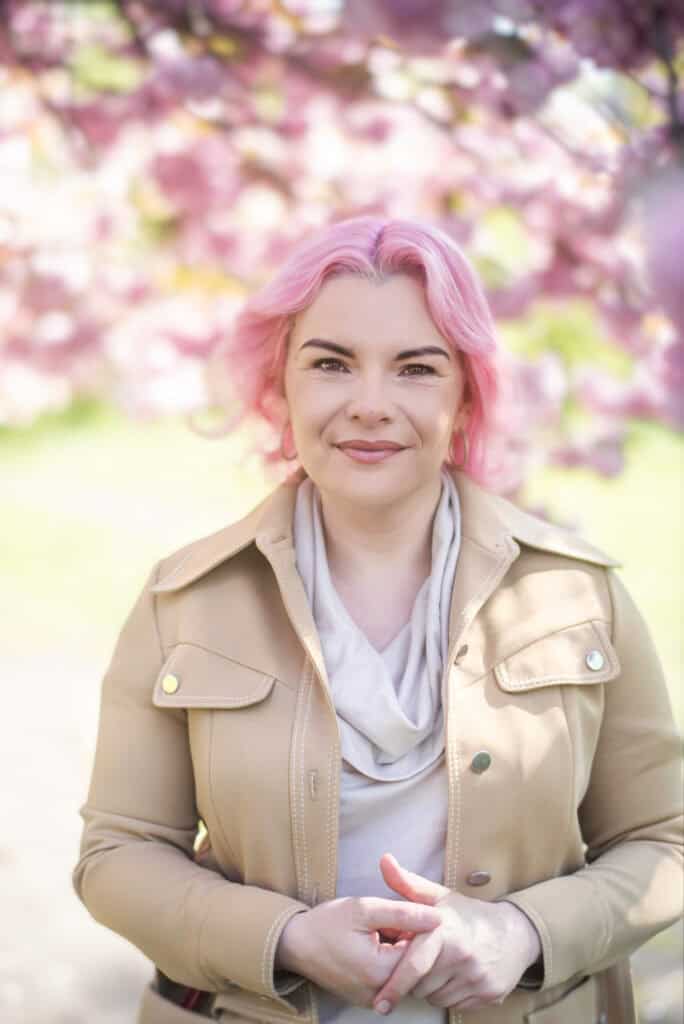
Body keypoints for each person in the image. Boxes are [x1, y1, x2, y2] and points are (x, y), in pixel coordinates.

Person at [72, 216, 683, 1024]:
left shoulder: (579, 595)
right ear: (279, 384)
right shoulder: (184, 601)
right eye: (330, 364)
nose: (369, 405)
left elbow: (666, 843)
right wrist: (285, 937)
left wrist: (521, 933)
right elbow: (116, 856)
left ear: (466, 392)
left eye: (415, 369)